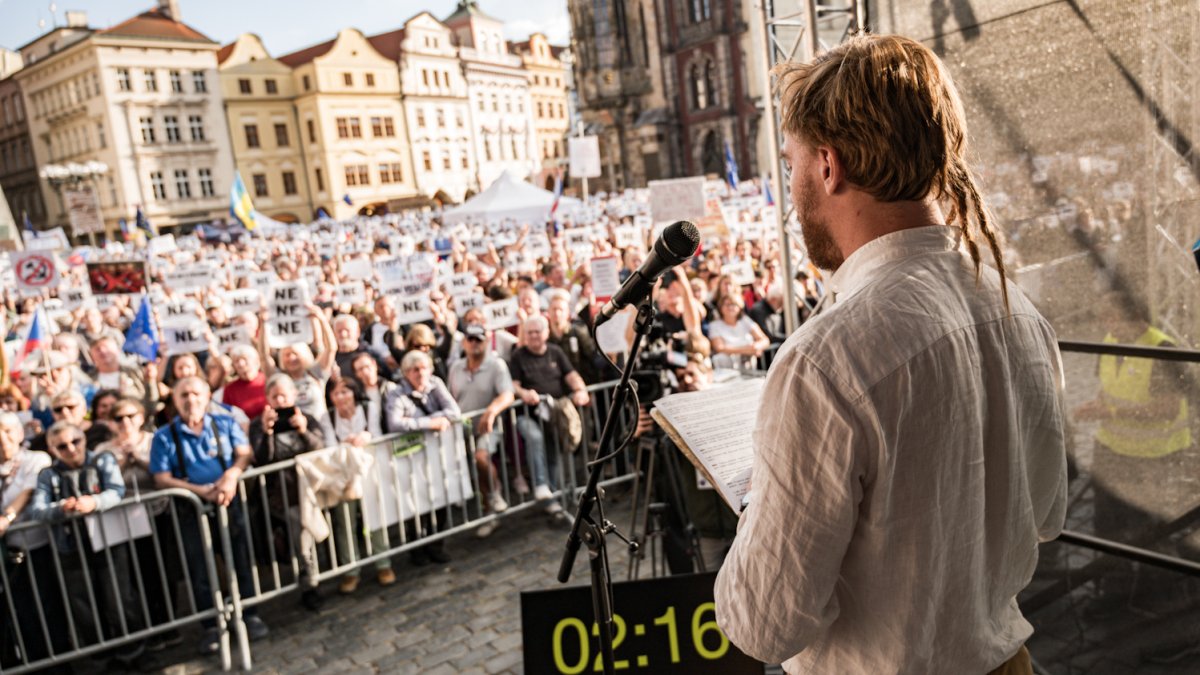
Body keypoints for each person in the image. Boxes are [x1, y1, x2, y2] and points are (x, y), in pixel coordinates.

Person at [713, 35, 1068, 675]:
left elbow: (763, 623)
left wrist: (764, 504)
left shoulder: (826, 361)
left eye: (791, 163)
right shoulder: (1017, 308)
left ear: (829, 165)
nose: (791, 187)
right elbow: (1042, 512)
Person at [149, 376, 269, 655]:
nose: (191, 400)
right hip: (191, 510)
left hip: (229, 502)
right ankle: (211, 626)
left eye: (195, 393)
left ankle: (250, 614)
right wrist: (197, 490)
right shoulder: (164, 436)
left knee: (240, 558)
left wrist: (230, 477)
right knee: (199, 568)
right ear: (175, 400)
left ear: (206, 397)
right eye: (183, 395)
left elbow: (244, 454)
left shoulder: (224, 424)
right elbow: (162, 478)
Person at [27, 421, 146, 666]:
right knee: (84, 606)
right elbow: (38, 510)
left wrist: (94, 502)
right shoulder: (48, 475)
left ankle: (133, 653)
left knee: (119, 599)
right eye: (62, 446)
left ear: (84, 440)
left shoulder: (102, 460)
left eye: (75, 442)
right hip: (70, 547)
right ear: (53, 450)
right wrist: (61, 508)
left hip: (109, 541)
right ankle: (102, 659)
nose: (71, 449)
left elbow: (116, 490)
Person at [248, 374, 327, 610]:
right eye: (275, 396)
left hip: (310, 489)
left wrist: (303, 431)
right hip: (282, 493)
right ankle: (309, 584)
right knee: (300, 534)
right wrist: (267, 432)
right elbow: (263, 460)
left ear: (294, 395)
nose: (280, 400)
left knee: (307, 533)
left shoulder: (306, 418)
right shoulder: (258, 424)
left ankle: (316, 576)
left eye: (284, 395)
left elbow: (320, 448)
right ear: (268, 399)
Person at [507, 316, 590, 515]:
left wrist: (581, 390)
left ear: (546, 333)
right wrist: (524, 393)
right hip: (528, 414)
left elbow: (571, 375)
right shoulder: (518, 355)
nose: (534, 335)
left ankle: (551, 500)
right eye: (530, 332)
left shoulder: (555, 351)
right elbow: (513, 384)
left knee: (553, 453)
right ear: (524, 335)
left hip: (554, 414)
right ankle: (542, 485)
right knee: (535, 438)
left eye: (537, 331)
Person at [385, 350, 460, 565]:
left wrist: (424, 420)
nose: (420, 373)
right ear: (406, 373)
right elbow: (395, 423)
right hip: (412, 457)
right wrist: (430, 423)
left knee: (441, 498)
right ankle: (417, 548)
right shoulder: (396, 393)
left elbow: (453, 411)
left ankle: (437, 545)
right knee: (416, 503)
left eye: (423, 368)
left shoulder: (436, 384)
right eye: (414, 370)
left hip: (437, 454)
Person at [322, 376, 395, 593]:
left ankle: (384, 563)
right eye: (336, 393)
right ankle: (351, 570)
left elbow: (377, 434)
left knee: (375, 518)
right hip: (343, 476)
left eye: (346, 391)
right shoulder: (328, 418)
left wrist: (365, 436)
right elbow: (329, 445)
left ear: (354, 392)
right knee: (345, 523)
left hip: (369, 469)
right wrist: (348, 443)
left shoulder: (368, 408)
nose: (342, 397)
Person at [446, 324, 513, 538]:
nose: (474, 344)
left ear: (486, 341)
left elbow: (508, 394)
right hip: (463, 429)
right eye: (471, 339)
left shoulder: (496, 365)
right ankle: (490, 510)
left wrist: (491, 411)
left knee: (481, 458)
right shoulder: (456, 367)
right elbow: (450, 397)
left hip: (488, 425)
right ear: (464, 342)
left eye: (479, 339)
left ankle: (495, 494)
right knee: (476, 469)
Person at [707, 293, 770, 371]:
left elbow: (765, 340)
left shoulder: (745, 321)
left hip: (748, 369)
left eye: (734, 304)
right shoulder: (714, 325)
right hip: (725, 369)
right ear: (721, 307)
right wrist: (747, 350)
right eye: (727, 304)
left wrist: (757, 346)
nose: (730, 307)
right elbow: (719, 348)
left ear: (739, 307)